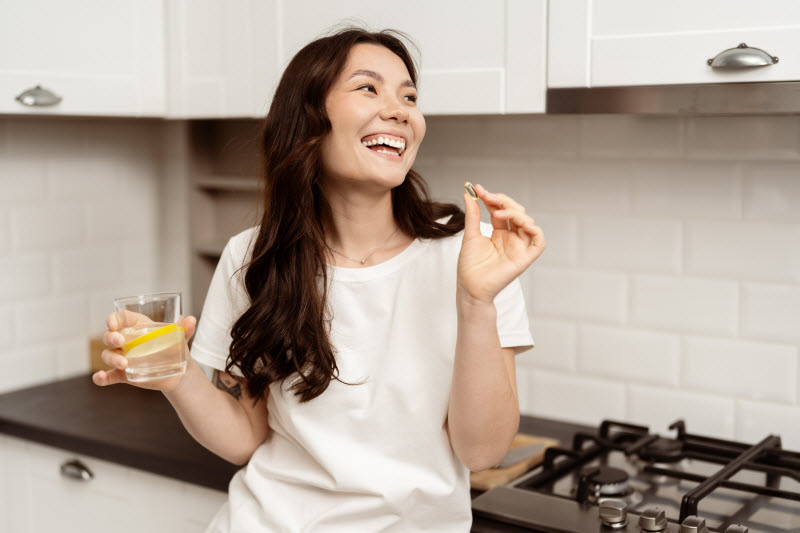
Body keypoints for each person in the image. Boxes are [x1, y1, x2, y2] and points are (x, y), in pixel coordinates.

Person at [93, 27, 546, 532]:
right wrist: (177, 377)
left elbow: (482, 451)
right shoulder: (254, 257)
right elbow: (246, 436)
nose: (400, 110)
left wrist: (477, 303)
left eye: (410, 96)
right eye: (369, 88)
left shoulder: (471, 253)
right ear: (309, 120)